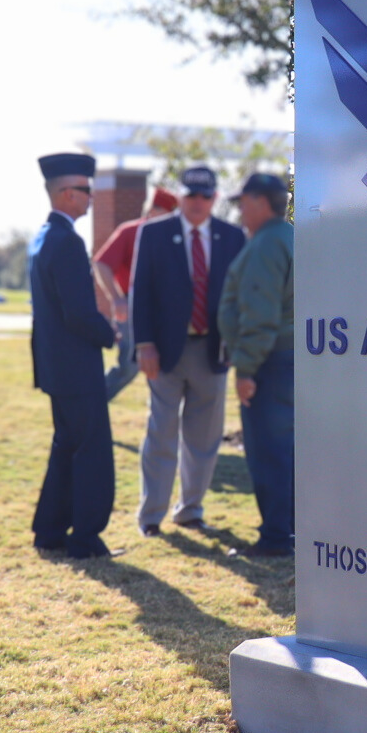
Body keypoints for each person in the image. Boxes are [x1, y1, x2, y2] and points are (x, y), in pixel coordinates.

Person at [129, 166, 243, 534]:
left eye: (205, 196)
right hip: (164, 352)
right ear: (179, 196)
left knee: (204, 439)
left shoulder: (232, 237)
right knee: (161, 433)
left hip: (212, 351)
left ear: (216, 199)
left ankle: (190, 510)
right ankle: (151, 517)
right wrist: (143, 344)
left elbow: (239, 296)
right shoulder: (154, 233)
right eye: (191, 195)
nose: (197, 202)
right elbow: (140, 291)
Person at [28, 152, 117, 558]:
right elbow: (78, 312)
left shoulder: (43, 238)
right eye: (85, 190)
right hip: (77, 368)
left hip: (54, 367)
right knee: (91, 452)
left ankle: (49, 530)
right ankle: (84, 537)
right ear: (65, 194)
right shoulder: (67, 241)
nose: (91, 197)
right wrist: (109, 333)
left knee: (66, 445)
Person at [217, 171, 293, 557]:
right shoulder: (290, 237)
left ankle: (277, 538)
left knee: (269, 452)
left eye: (243, 202)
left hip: (270, 363)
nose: (239, 210)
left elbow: (260, 315)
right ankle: (289, 530)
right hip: (289, 360)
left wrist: (246, 369)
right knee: (288, 450)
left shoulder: (266, 245)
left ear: (261, 202)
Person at [94, 186, 178, 400]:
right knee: (128, 367)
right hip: (133, 308)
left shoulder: (174, 237)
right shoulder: (130, 231)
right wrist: (117, 299)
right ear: (154, 209)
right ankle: (90, 408)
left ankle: (165, 428)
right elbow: (101, 264)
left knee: (169, 368)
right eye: (169, 212)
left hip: (165, 311)